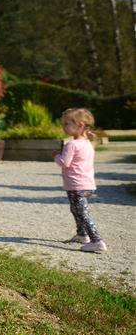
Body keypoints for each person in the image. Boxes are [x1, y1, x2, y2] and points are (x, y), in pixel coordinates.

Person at [54, 108, 106, 253]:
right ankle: (82, 234)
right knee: (76, 209)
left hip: (76, 185)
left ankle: (97, 241)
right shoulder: (87, 143)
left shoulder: (72, 144)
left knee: (82, 212)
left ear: (80, 125)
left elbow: (64, 162)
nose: (63, 127)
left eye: (66, 123)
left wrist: (55, 155)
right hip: (87, 184)